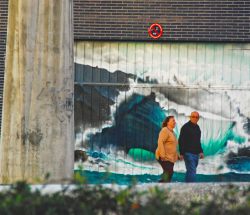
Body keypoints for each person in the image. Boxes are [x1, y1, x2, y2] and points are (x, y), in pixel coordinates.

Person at [179, 111, 204, 182]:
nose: (195, 118)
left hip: (196, 154)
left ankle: (187, 185)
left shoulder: (197, 128)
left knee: (190, 170)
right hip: (188, 153)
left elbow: (198, 141)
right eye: (193, 117)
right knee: (192, 170)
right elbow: (181, 140)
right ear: (190, 117)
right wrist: (181, 153)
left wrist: (201, 151)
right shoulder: (185, 127)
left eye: (196, 117)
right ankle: (192, 187)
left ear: (198, 118)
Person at [155, 116, 179, 182]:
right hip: (164, 156)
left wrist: (177, 156)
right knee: (169, 172)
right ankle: (160, 186)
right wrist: (162, 155)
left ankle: (163, 186)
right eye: (173, 121)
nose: (175, 122)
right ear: (168, 122)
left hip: (170, 158)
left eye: (175, 121)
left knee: (169, 173)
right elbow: (160, 141)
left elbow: (173, 146)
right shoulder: (165, 130)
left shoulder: (173, 133)